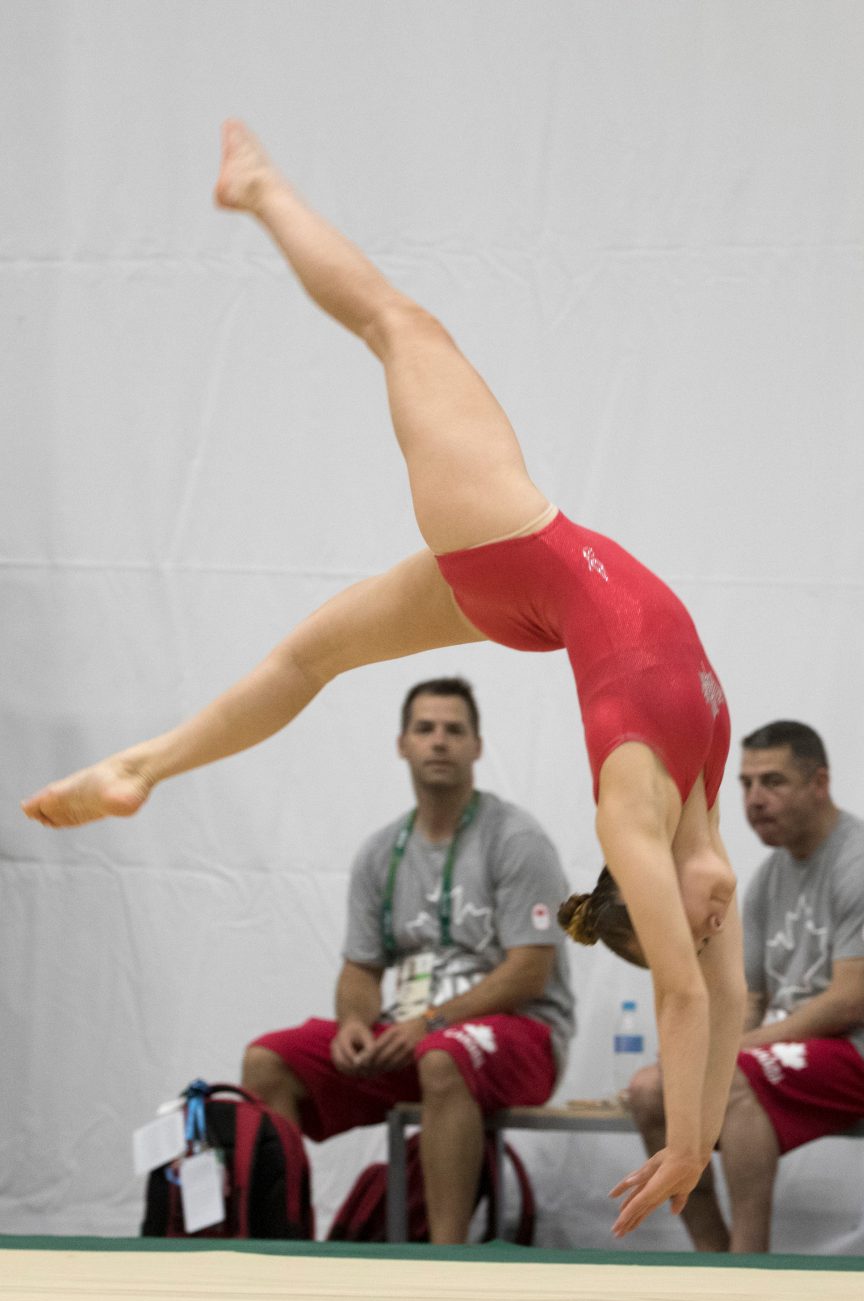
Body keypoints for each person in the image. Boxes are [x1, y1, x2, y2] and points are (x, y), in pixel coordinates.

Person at [20, 120, 745, 1238]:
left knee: (396, 321)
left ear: (657, 901)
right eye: (716, 916)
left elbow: (691, 996)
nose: (724, 910)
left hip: (511, 542)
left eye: (697, 920)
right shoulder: (701, 817)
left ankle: (261, 189)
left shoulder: (635, 797)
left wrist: (691, 1143)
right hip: (522, 587)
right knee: (311, 655)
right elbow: (720, 991)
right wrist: (697, 1118)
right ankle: (145, 765)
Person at [241, 677, 575, 1243]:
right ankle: (285, 1247)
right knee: (268, 1060)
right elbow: (361, 969)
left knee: (442, 1058)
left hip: (522, 1037)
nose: (439, 742)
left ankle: (443, 1264)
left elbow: (529, 971)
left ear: (477, 746)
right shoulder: (381, 851)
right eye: (425, 729)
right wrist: (353, 1022)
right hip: (418, 1035)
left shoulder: (516, 839)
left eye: (454, 730)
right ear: (402, 744)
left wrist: (433, 1022)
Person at [625, 720, 864, 1251]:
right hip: (796, 1050)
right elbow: (750, 998)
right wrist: (704, 1047)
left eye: (773, 782)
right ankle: (711, 1252)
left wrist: (729, 1050)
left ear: (820, 783)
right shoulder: (772, 875)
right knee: (651, 1088)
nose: (755, 800)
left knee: (736, 1076)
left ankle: (749, 1259)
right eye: (746, 785)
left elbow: (847, 1003)